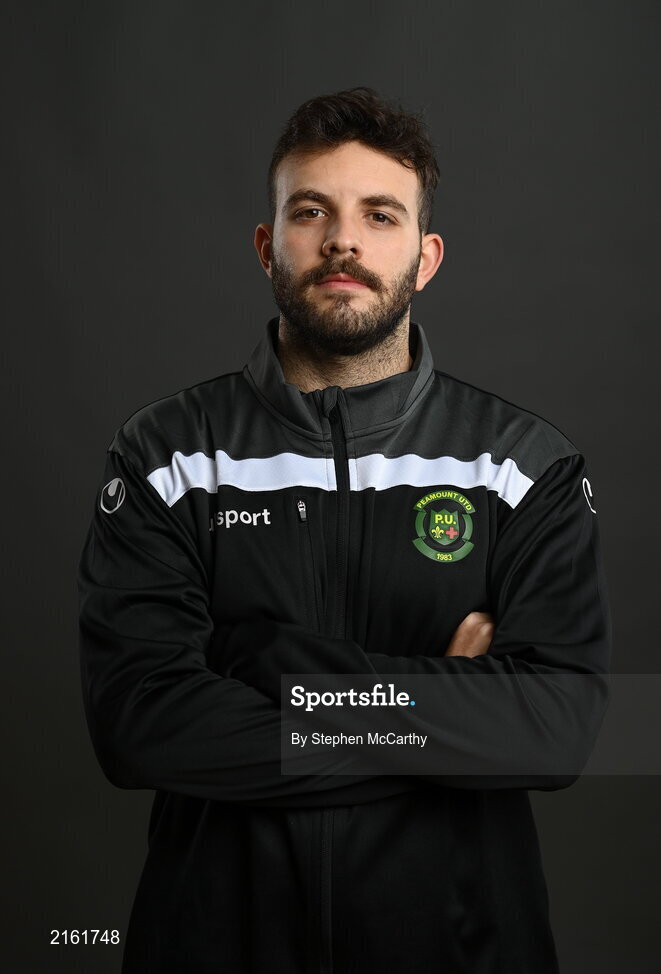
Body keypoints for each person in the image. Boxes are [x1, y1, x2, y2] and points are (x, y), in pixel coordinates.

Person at [78, 86, 611, 973]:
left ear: (425, 256)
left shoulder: (521, 466)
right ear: (267, 244)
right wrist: (444, 700)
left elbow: (558, 728)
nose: (343, 241)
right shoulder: (167, 455)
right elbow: (140, 725)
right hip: (216, 947)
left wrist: (269, 661)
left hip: (462, 948)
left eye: (379, 214)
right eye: (310, 210)